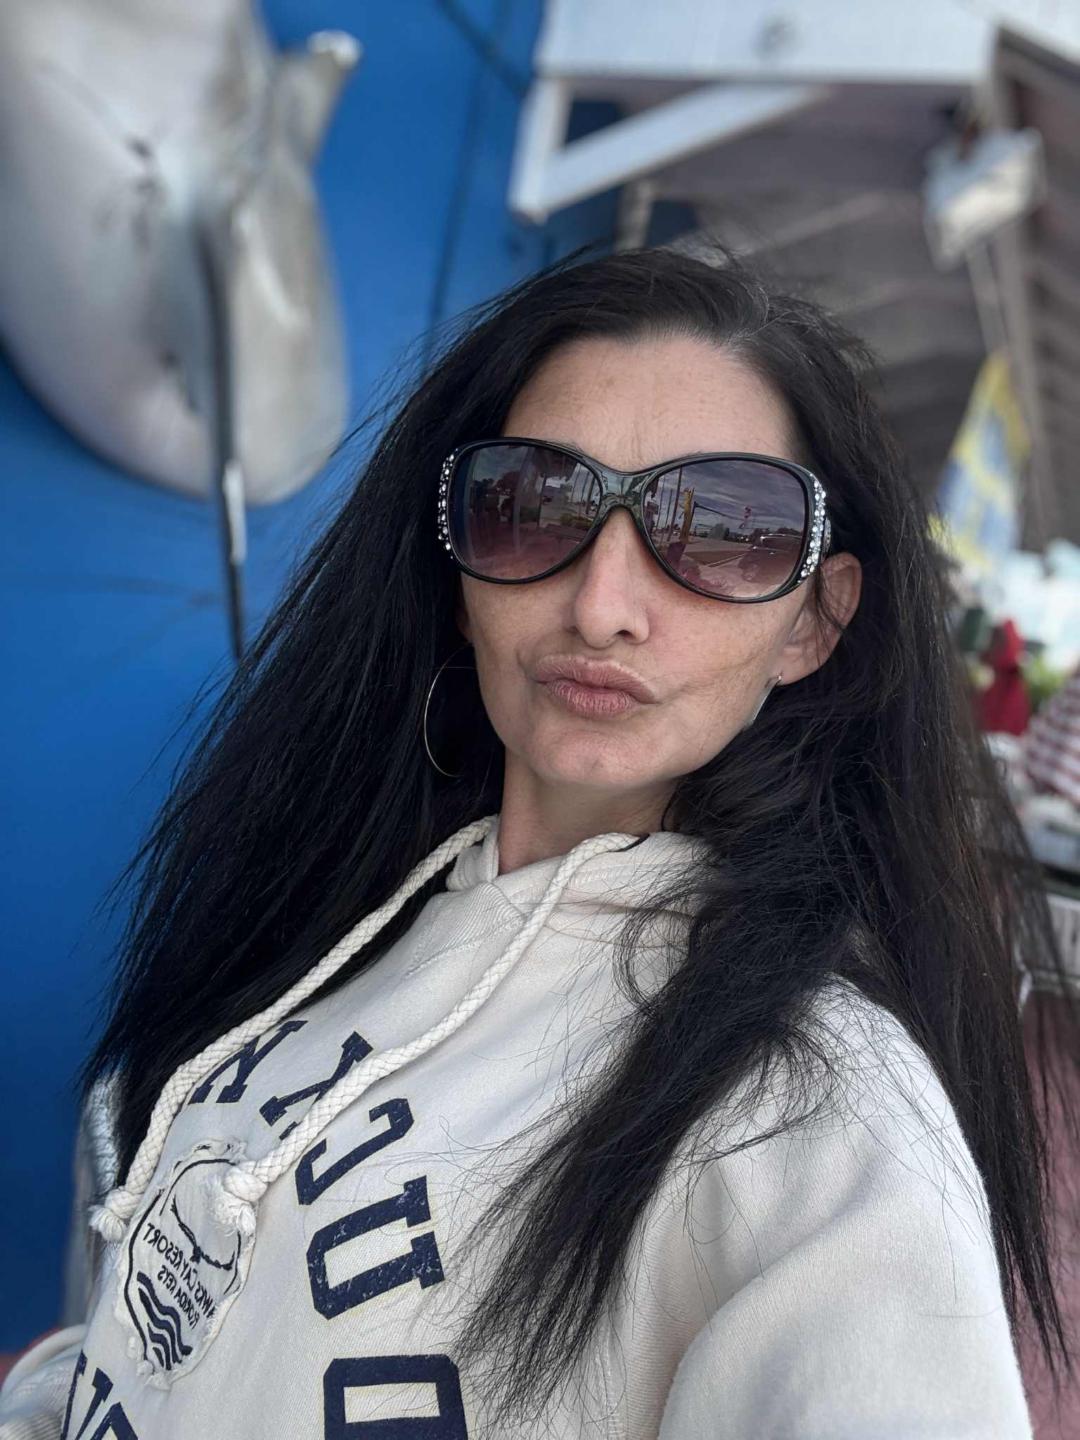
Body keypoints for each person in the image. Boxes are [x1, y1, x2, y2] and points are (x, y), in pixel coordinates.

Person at [3, 244, 1078, 1439]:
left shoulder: (814, 1108)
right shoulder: (334, 915)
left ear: (813, 625)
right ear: (459, 573)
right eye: (533, 508)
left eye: (724, 533)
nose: (602, 604)